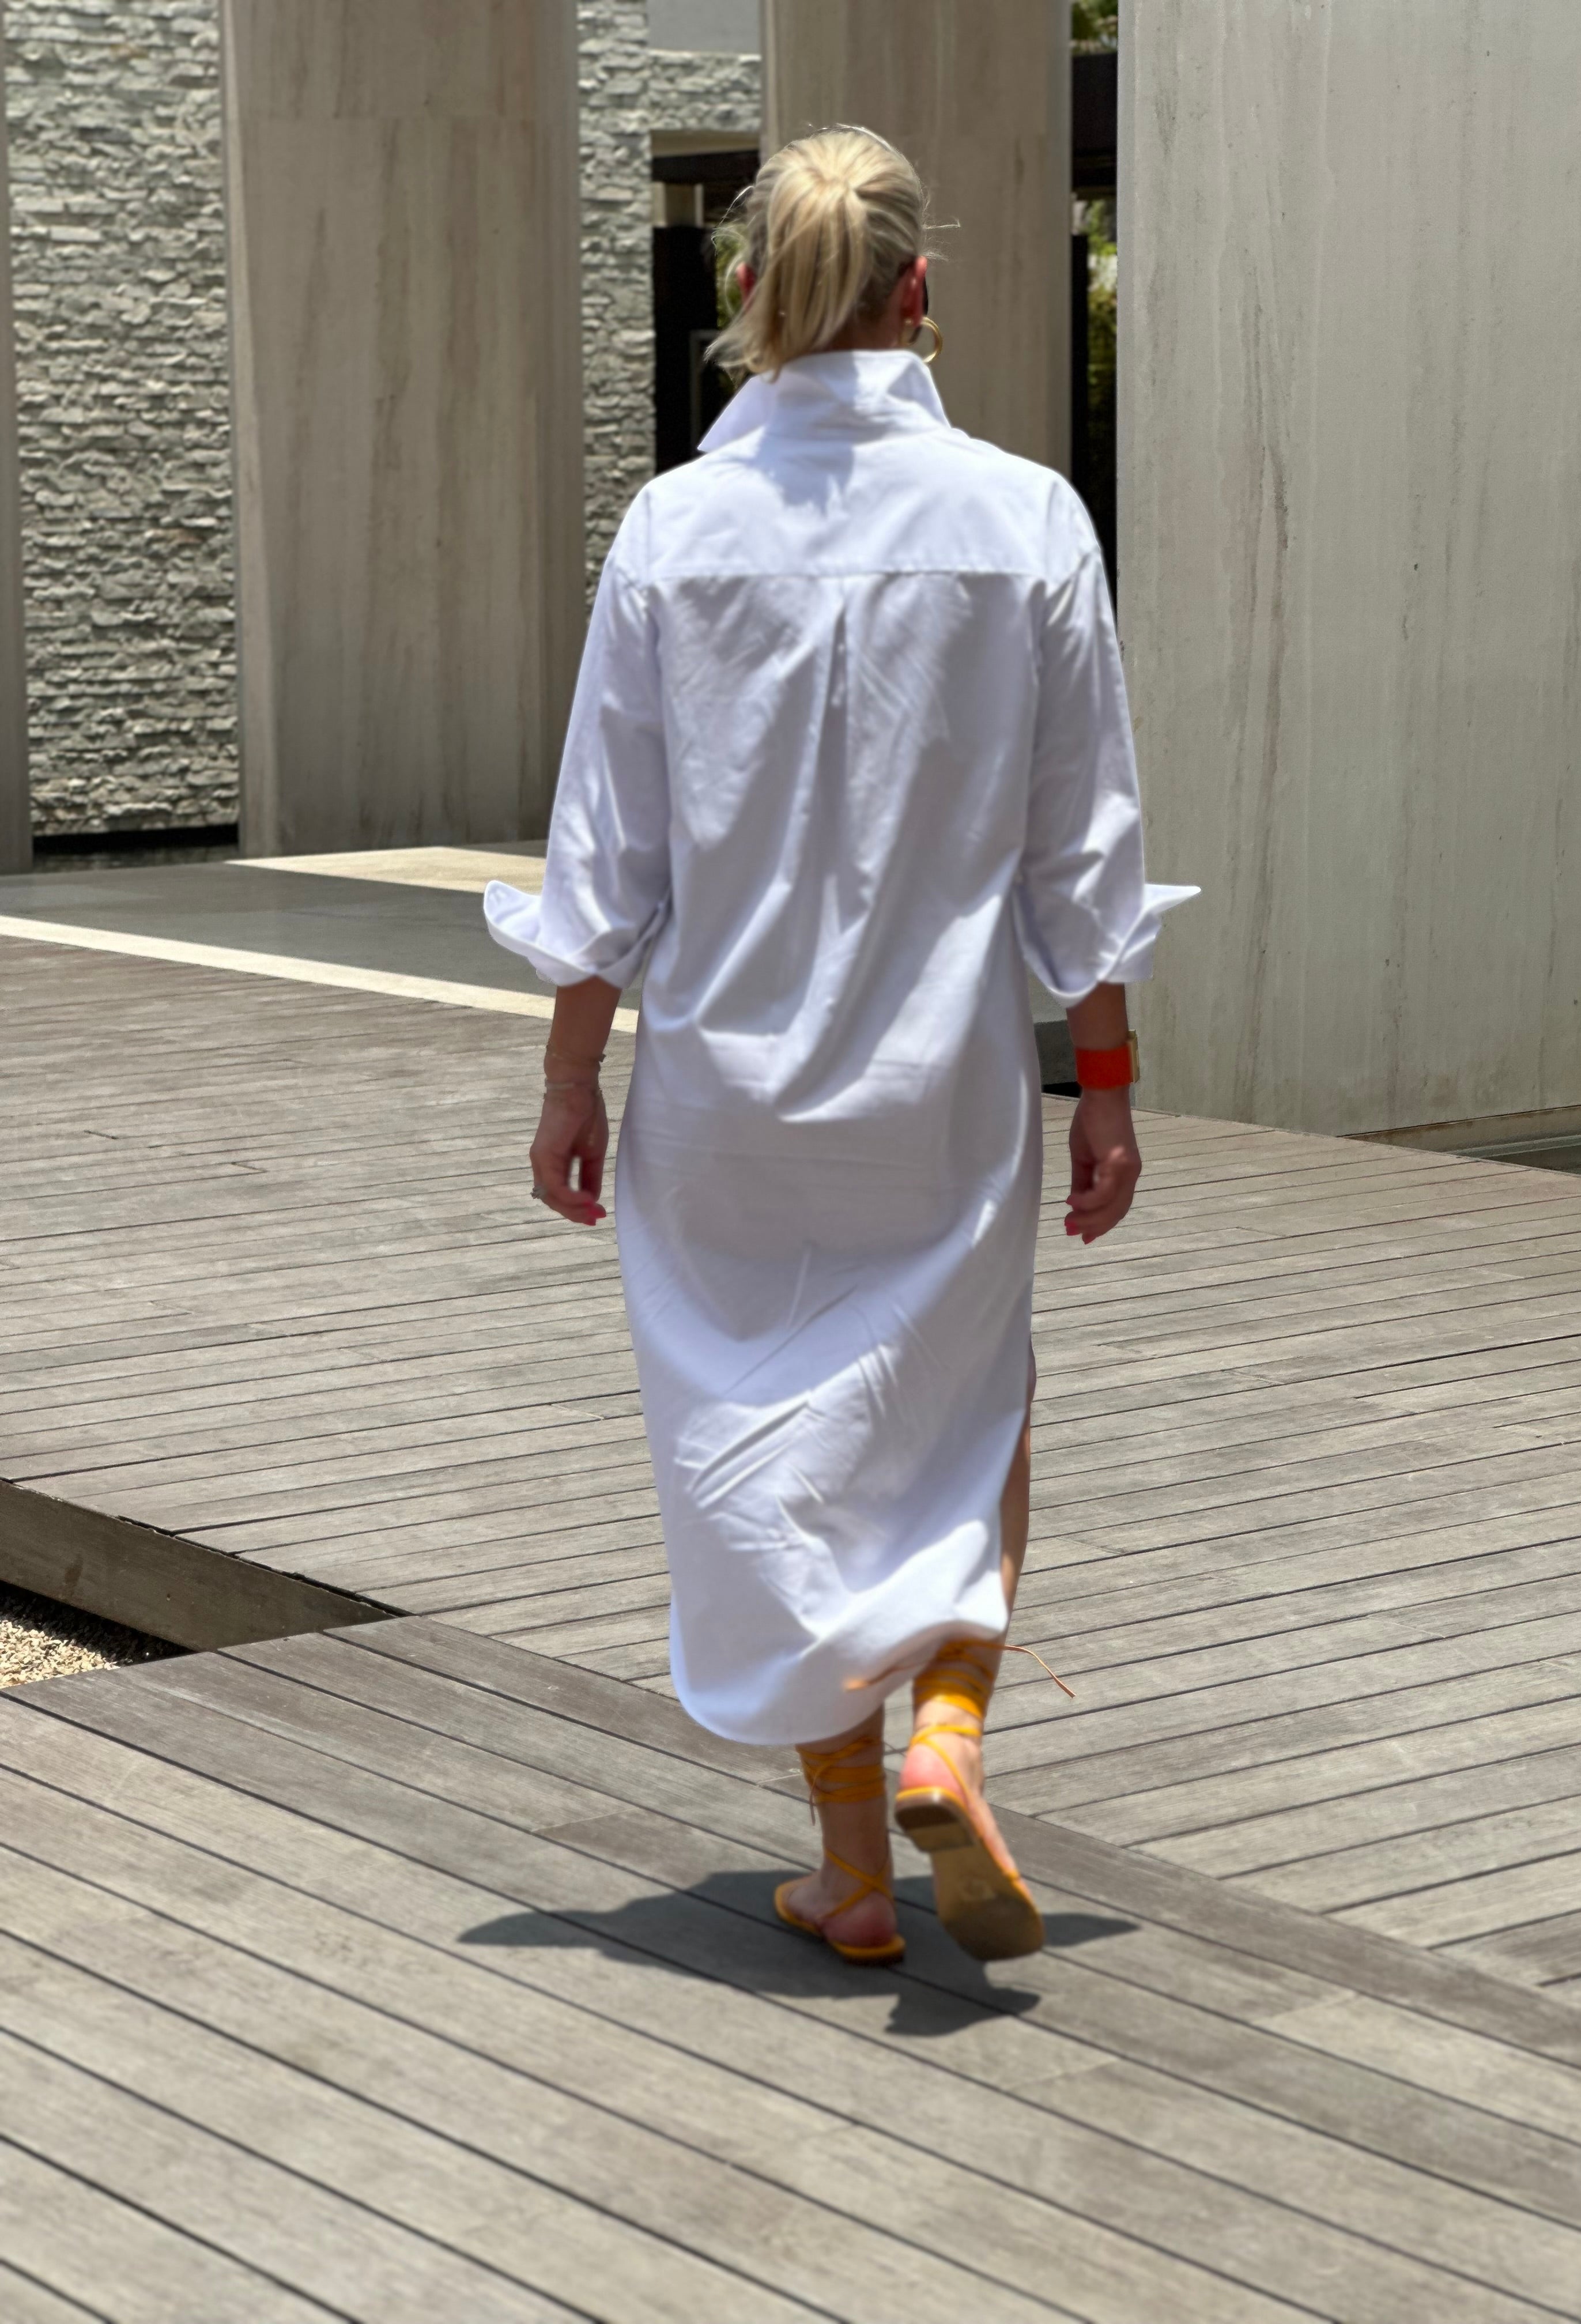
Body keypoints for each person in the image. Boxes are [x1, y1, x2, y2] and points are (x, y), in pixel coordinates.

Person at [485, 126, 1195, 1965]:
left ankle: (850, 1875)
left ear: (745, 302)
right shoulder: (1027, 519)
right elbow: (1081, 847)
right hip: (937, 1090)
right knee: (965, 1424)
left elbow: (609, 855)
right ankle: (948, 1738)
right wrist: (1104, 1085)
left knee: (767, 1449)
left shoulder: (673, 531)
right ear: (922, 293)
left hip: (723, 1097)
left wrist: (572, 1075)